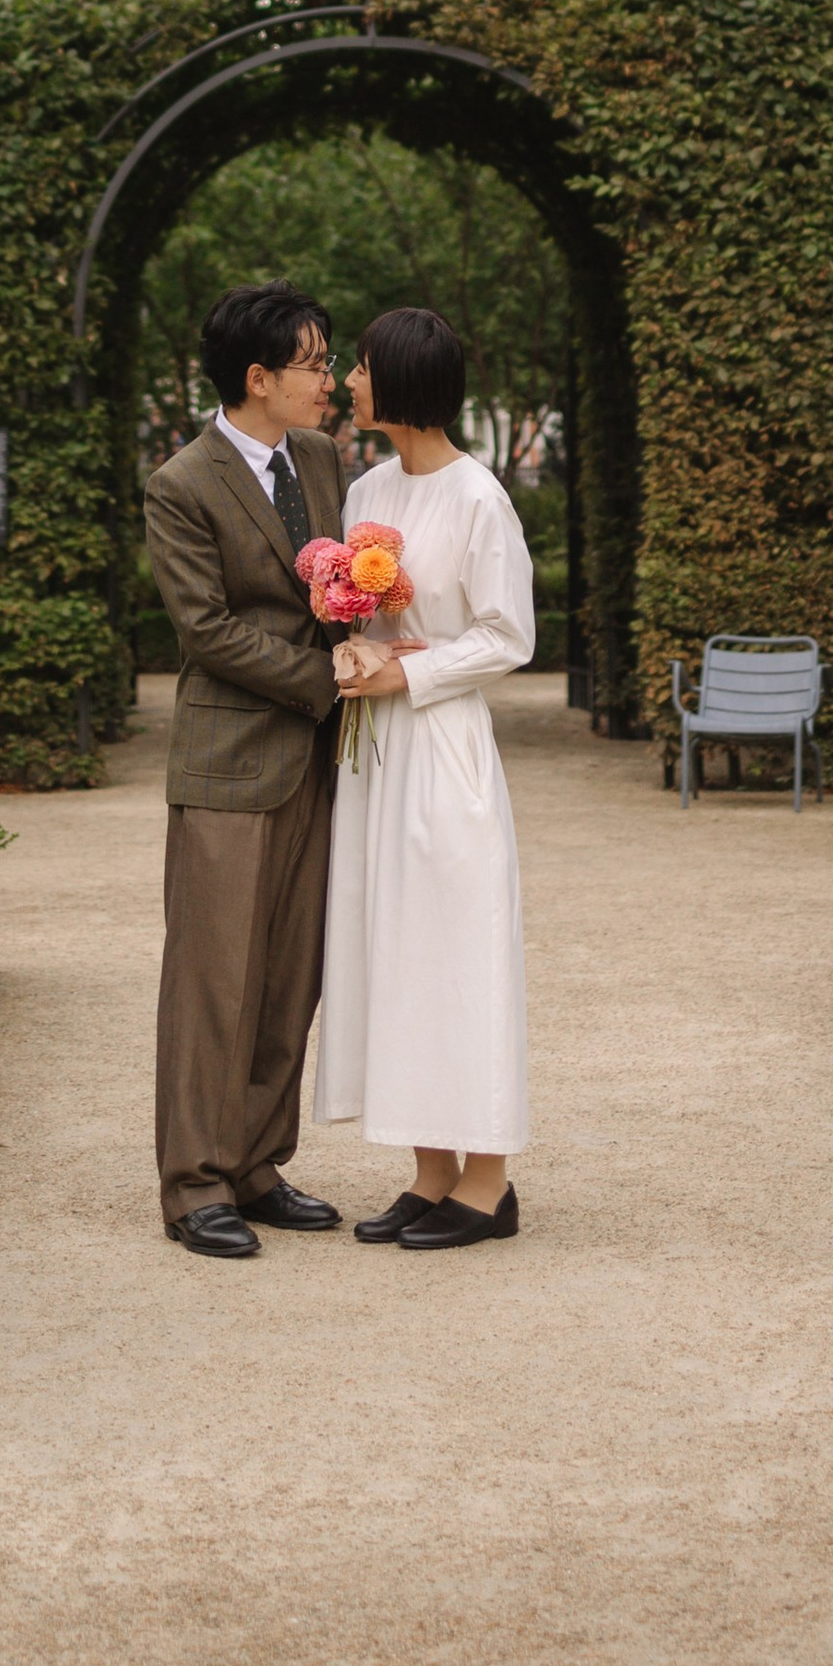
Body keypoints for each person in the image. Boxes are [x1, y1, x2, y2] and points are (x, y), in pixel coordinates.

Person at [315, 304, 535, 1250]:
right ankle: (427, 1172)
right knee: (389, 943)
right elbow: (354, 613)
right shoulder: (368, 486)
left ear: (401, 384)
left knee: (456, 947)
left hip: (443, 747)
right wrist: (351, 652)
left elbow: (507, 636)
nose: (349, 382)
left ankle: (488, 1185)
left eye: (361, 368)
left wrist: (407, 670)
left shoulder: (482, 497)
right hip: (374, 754)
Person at [143, 280, 349, 1260]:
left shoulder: (320, 459)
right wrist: (326, 676)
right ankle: (193, 1185)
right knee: (211, 981)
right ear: (257, 377)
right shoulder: (180, 484)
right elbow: (206, 632)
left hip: (316, 760)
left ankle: (258, 1163)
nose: (327, 380)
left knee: (287, 975)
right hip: (230, 759)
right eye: (313, 362)